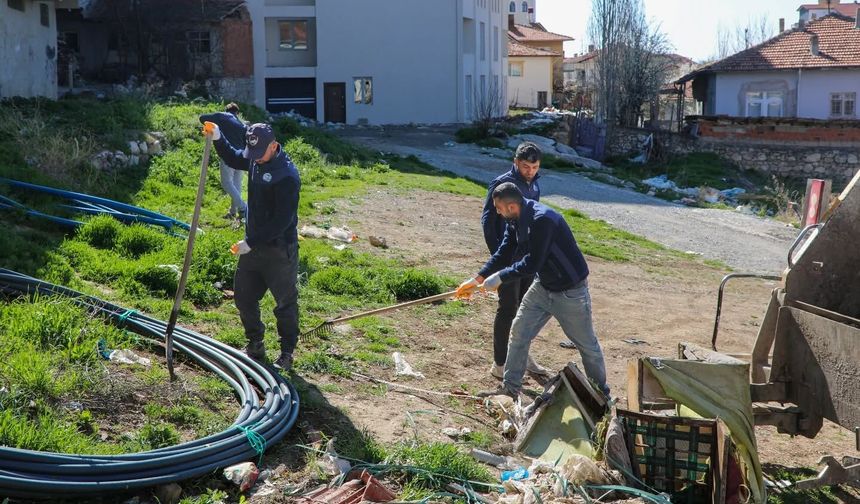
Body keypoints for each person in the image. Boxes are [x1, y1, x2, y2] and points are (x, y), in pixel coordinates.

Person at [458, 182, 610, 398]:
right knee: (519, 332)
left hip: (570, 292)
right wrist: (477, 278)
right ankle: (510, 388)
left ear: (511, 207)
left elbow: (532, 263)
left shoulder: (543, 220)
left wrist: (500, 277)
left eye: (499, 209)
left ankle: (601, 394)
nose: (498, 214)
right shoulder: (515, 220)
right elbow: (505, 251)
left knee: (587, 345)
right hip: (543, 286)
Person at [201, 119, 301, 372]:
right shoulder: (255, 158)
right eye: (252, 153)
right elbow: (236, 159)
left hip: (280, 250)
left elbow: (283, 220)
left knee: (284, 304)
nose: (254, 159)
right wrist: (219, 139)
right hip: (253, 248)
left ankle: (287, 353)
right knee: (244, 298)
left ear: (274, 146)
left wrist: (250, 242)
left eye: (259, 154)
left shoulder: (287, 175)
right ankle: (255, 343)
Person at [478, 142, 551, 382]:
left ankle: (521, 354)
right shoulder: (502, 185)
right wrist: (500, 261)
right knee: (508, 308)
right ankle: (500, 363)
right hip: (508, 258)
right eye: (525, 166)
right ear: (515, 161)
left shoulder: (534, 184)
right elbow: (489, 224)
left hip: (527, 259)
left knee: (525, 309)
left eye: (534, 167)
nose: (530, 171)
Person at [199, 103, 248, 220]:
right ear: (237, 113)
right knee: (236, 185)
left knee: (226, 183)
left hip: (229, 155)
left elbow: (202, 118)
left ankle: (243, 208)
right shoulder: (241, 125)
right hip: (241, 157)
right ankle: (233, 212)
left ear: (226, 110)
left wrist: (215, 126)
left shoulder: (222, 116)